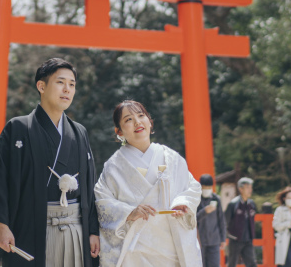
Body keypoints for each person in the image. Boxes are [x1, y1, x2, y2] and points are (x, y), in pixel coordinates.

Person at [0, 58, 100, 267]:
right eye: (60, 82)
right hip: (30, 228)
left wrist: (93, 230)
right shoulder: (18, 128)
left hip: (76, 229)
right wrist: (1, 226)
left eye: (72, 84)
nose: (67, 89)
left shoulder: (79, 132)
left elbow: (89, 187)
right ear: (41, 86)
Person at [95, 100, 202, 267]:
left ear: (150, 122)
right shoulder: (113, 167)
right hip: (134, 251)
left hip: (170, 248)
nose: (137, 122)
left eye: (141, 115)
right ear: (119, 132)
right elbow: (102, 202)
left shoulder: (171, 158)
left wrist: (182, 203)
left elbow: (192, 188)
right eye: (128, 119)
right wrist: (129, 212)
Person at [224, 177, 257, 267]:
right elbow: (225, 221)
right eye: (247, 187)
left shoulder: (252, 204)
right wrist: (227, 236)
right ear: (240, 189)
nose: (250, 190)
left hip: (248, 239)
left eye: (251, 187)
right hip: (235, 239)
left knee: (252, 263)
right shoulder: (233, 204)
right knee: (232, 263)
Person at [196, 174, 226, 267]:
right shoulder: (196, 199)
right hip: (200, 241)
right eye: (205, 187)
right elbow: (192, 219)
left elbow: (221, 219)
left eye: (209, 187)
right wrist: (204, 211)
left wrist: (223, 238)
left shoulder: (216, 199)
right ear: (200, 187)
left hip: (214, 240)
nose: (207, 189)